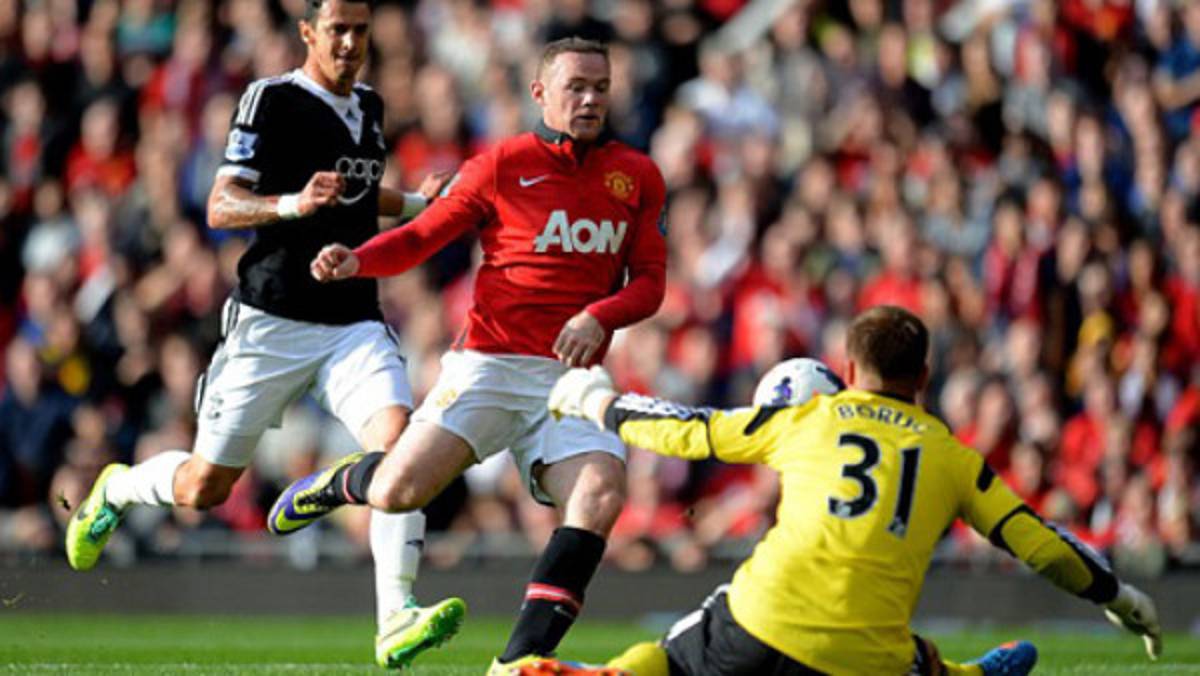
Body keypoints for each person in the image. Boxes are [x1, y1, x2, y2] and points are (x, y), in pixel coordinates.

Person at [64, 0, 465, 669]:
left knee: (399, 448)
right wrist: (291, 203)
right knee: (203, 488)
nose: (350, 42)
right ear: (308, 32)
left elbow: (359, 194)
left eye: (360, 30)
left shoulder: (369, 105)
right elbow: (222, 204)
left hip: (352, 321)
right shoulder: (270, 99)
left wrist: (421, 203)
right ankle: (117, 489)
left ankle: (395, 617)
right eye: (337, 29)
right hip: (271, 322)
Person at [269, 36, 668, 674]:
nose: (591, 99)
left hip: (572, 382)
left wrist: (600, 315)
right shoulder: (502, 164)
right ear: (540, 93)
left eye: (600, 87)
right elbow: (421, 237)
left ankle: (521, 660)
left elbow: (649, 283)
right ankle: (340, 481)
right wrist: (356, 261)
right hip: (490, 365)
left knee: (600, 494)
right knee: (396, 492)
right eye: (576, 87)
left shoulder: (637, 175)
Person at [536, 305, 1162, 676]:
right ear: (923, 376)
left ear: (851, 370)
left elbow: (691, 431)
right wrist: (1119, 594)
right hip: (867, 660)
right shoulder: (952, 456)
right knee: (889, 647)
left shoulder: (810, 418)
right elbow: (1039, 543)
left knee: (670, 660)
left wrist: (600, 402)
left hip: (760, 625)